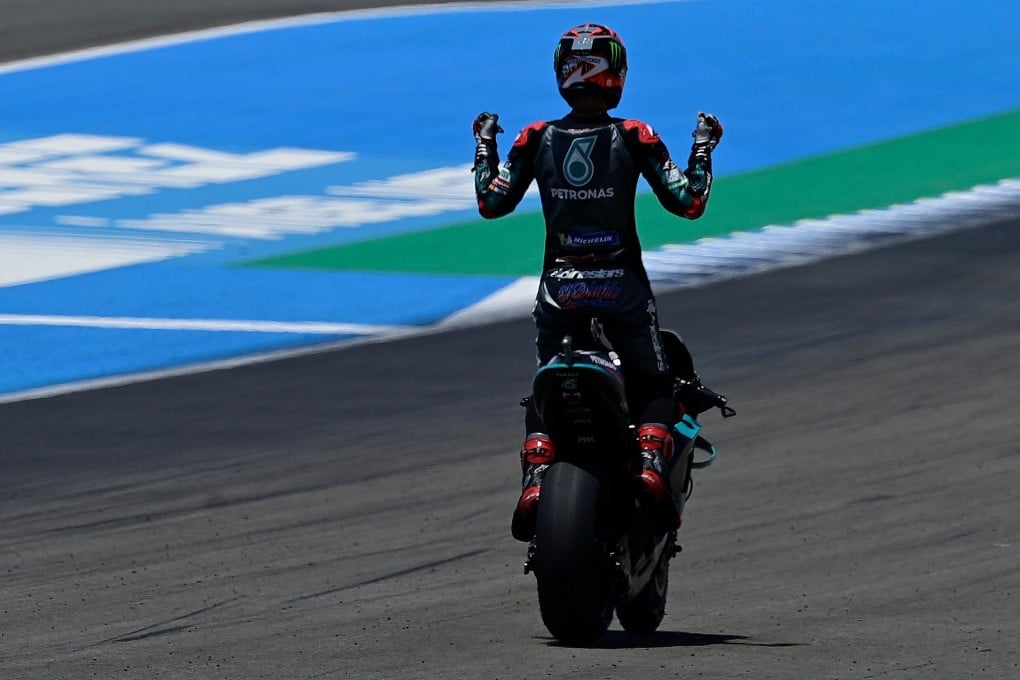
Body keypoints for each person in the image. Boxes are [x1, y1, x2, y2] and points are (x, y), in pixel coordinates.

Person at [471, 23, 723, 542]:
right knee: (654, 382)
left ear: (562, 73)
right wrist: (703, 149)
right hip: (621, 289)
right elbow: (689, 202)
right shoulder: (635, 135)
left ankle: (536, 478)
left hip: (559, 290)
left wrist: (483, 147)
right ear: (617, 74)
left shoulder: (534, 137)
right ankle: (651, 462)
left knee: (546, 385)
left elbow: (490, 203)